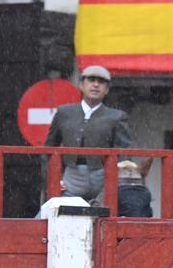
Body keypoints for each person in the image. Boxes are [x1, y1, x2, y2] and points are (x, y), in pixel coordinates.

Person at [43, 65, 132, 205]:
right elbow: (48, 149)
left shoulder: (116, 117)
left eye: (101, 82)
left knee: (104, 218)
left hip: (102, 176)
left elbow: (124, 153)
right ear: (81, 85)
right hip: (71, 176)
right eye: (91, 80)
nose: (96, 85)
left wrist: (113, 181)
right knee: (55, 216)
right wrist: (54, 178)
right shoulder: (64, 113)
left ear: (107, 89)